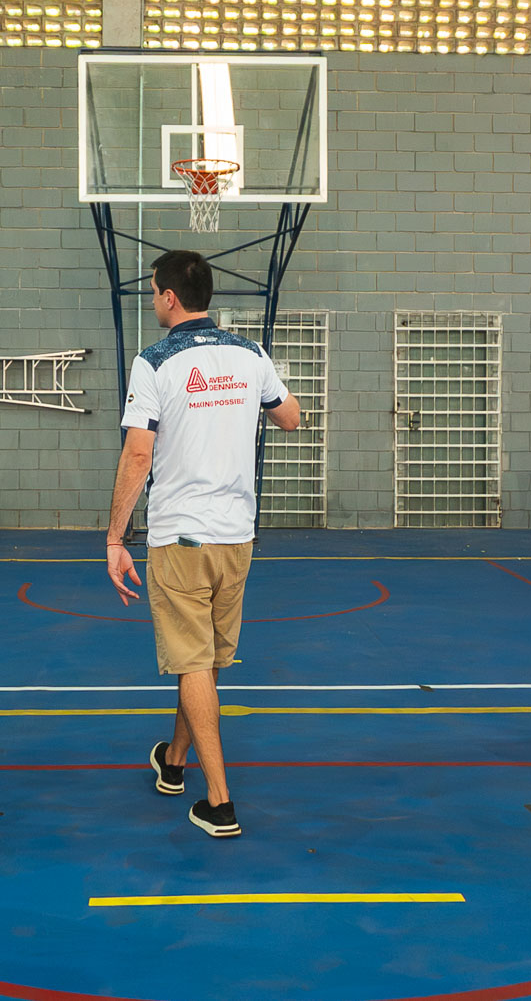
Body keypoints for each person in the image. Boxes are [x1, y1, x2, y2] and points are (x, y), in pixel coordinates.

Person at [105, 250, 301, 839]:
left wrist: (115, 537)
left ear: (168, 297)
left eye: (153, 292)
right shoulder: (250, 354)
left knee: (193, 662)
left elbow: (138, 454)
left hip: (180, 536)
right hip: (237, 535)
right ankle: (173, 763)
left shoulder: (153, 362)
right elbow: (291, 417)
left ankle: (219, 802)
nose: (153, 301)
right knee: (207, 660)